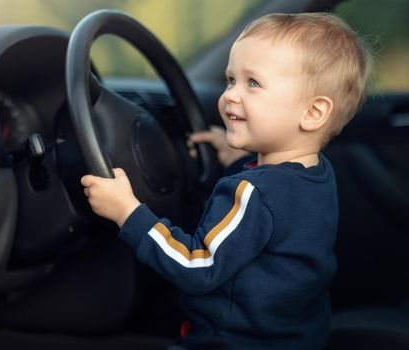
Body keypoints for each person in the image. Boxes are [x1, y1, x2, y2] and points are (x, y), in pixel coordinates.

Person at [81, 12, 373, 350]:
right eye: (230, 79)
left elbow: (197, 265)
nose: (231, 95)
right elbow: (277, 215)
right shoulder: (317, 174)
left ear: (312, 113)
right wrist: (232, 155)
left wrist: (127, 212)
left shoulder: (252, 192)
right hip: (294, 336)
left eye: (253, 83)